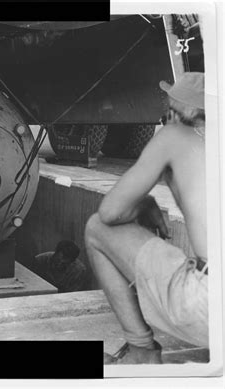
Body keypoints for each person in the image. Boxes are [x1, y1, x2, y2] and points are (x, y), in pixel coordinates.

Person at [84, 72, 207, 364]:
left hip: (208, 307)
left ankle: (141, 351)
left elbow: (110, 213)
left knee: (96, 227)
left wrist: (143, 203)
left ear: (180, 112)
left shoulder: (175, 135)